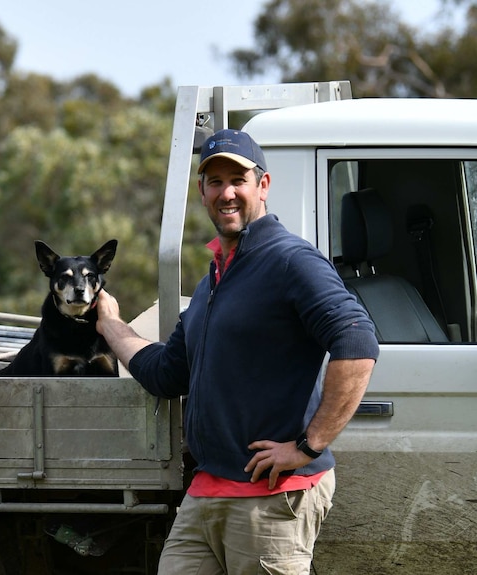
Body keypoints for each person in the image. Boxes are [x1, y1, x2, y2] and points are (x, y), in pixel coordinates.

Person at [95, 130, 379, 574]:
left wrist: (307, 445)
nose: (226, 193)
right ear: (202, 192)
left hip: (273, 497)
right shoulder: (212, 283)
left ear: (262, 185)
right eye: (215, 182)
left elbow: (357, 341)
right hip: (207, 492)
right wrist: (110, 323)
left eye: (238, 180)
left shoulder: (290, 260)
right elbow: (166, 374)